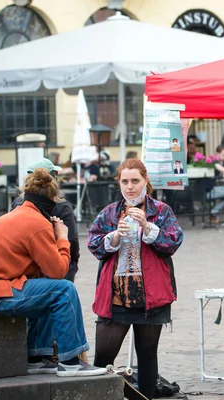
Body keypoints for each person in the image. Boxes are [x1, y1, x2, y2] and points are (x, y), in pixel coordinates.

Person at [0, 168, 105, 377]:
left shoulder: (17, 215)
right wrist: (62, 237)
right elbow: (59, 271)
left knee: (45, 289)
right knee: (63, 291)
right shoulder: (37, 223)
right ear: (53, 199)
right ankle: (71, 362)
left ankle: (35, 357)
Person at [88, 158, 183, 400]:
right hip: (116, 297)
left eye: (135, 181)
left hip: (151, 296)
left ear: (145, 181)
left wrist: (148, 227)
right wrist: (115, 236)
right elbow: (95, 245)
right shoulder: (109, 212)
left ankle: (147, 397)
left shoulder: (161, 211)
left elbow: (173, 242)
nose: (130, 186)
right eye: (125, 181)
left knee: (148, 355)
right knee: (103, 359)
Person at [10, 158, 80, 282]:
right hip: (57, 266)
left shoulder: (18, 204)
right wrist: (72, 264)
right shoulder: (62, 206)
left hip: (25, 271)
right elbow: (72, 240)